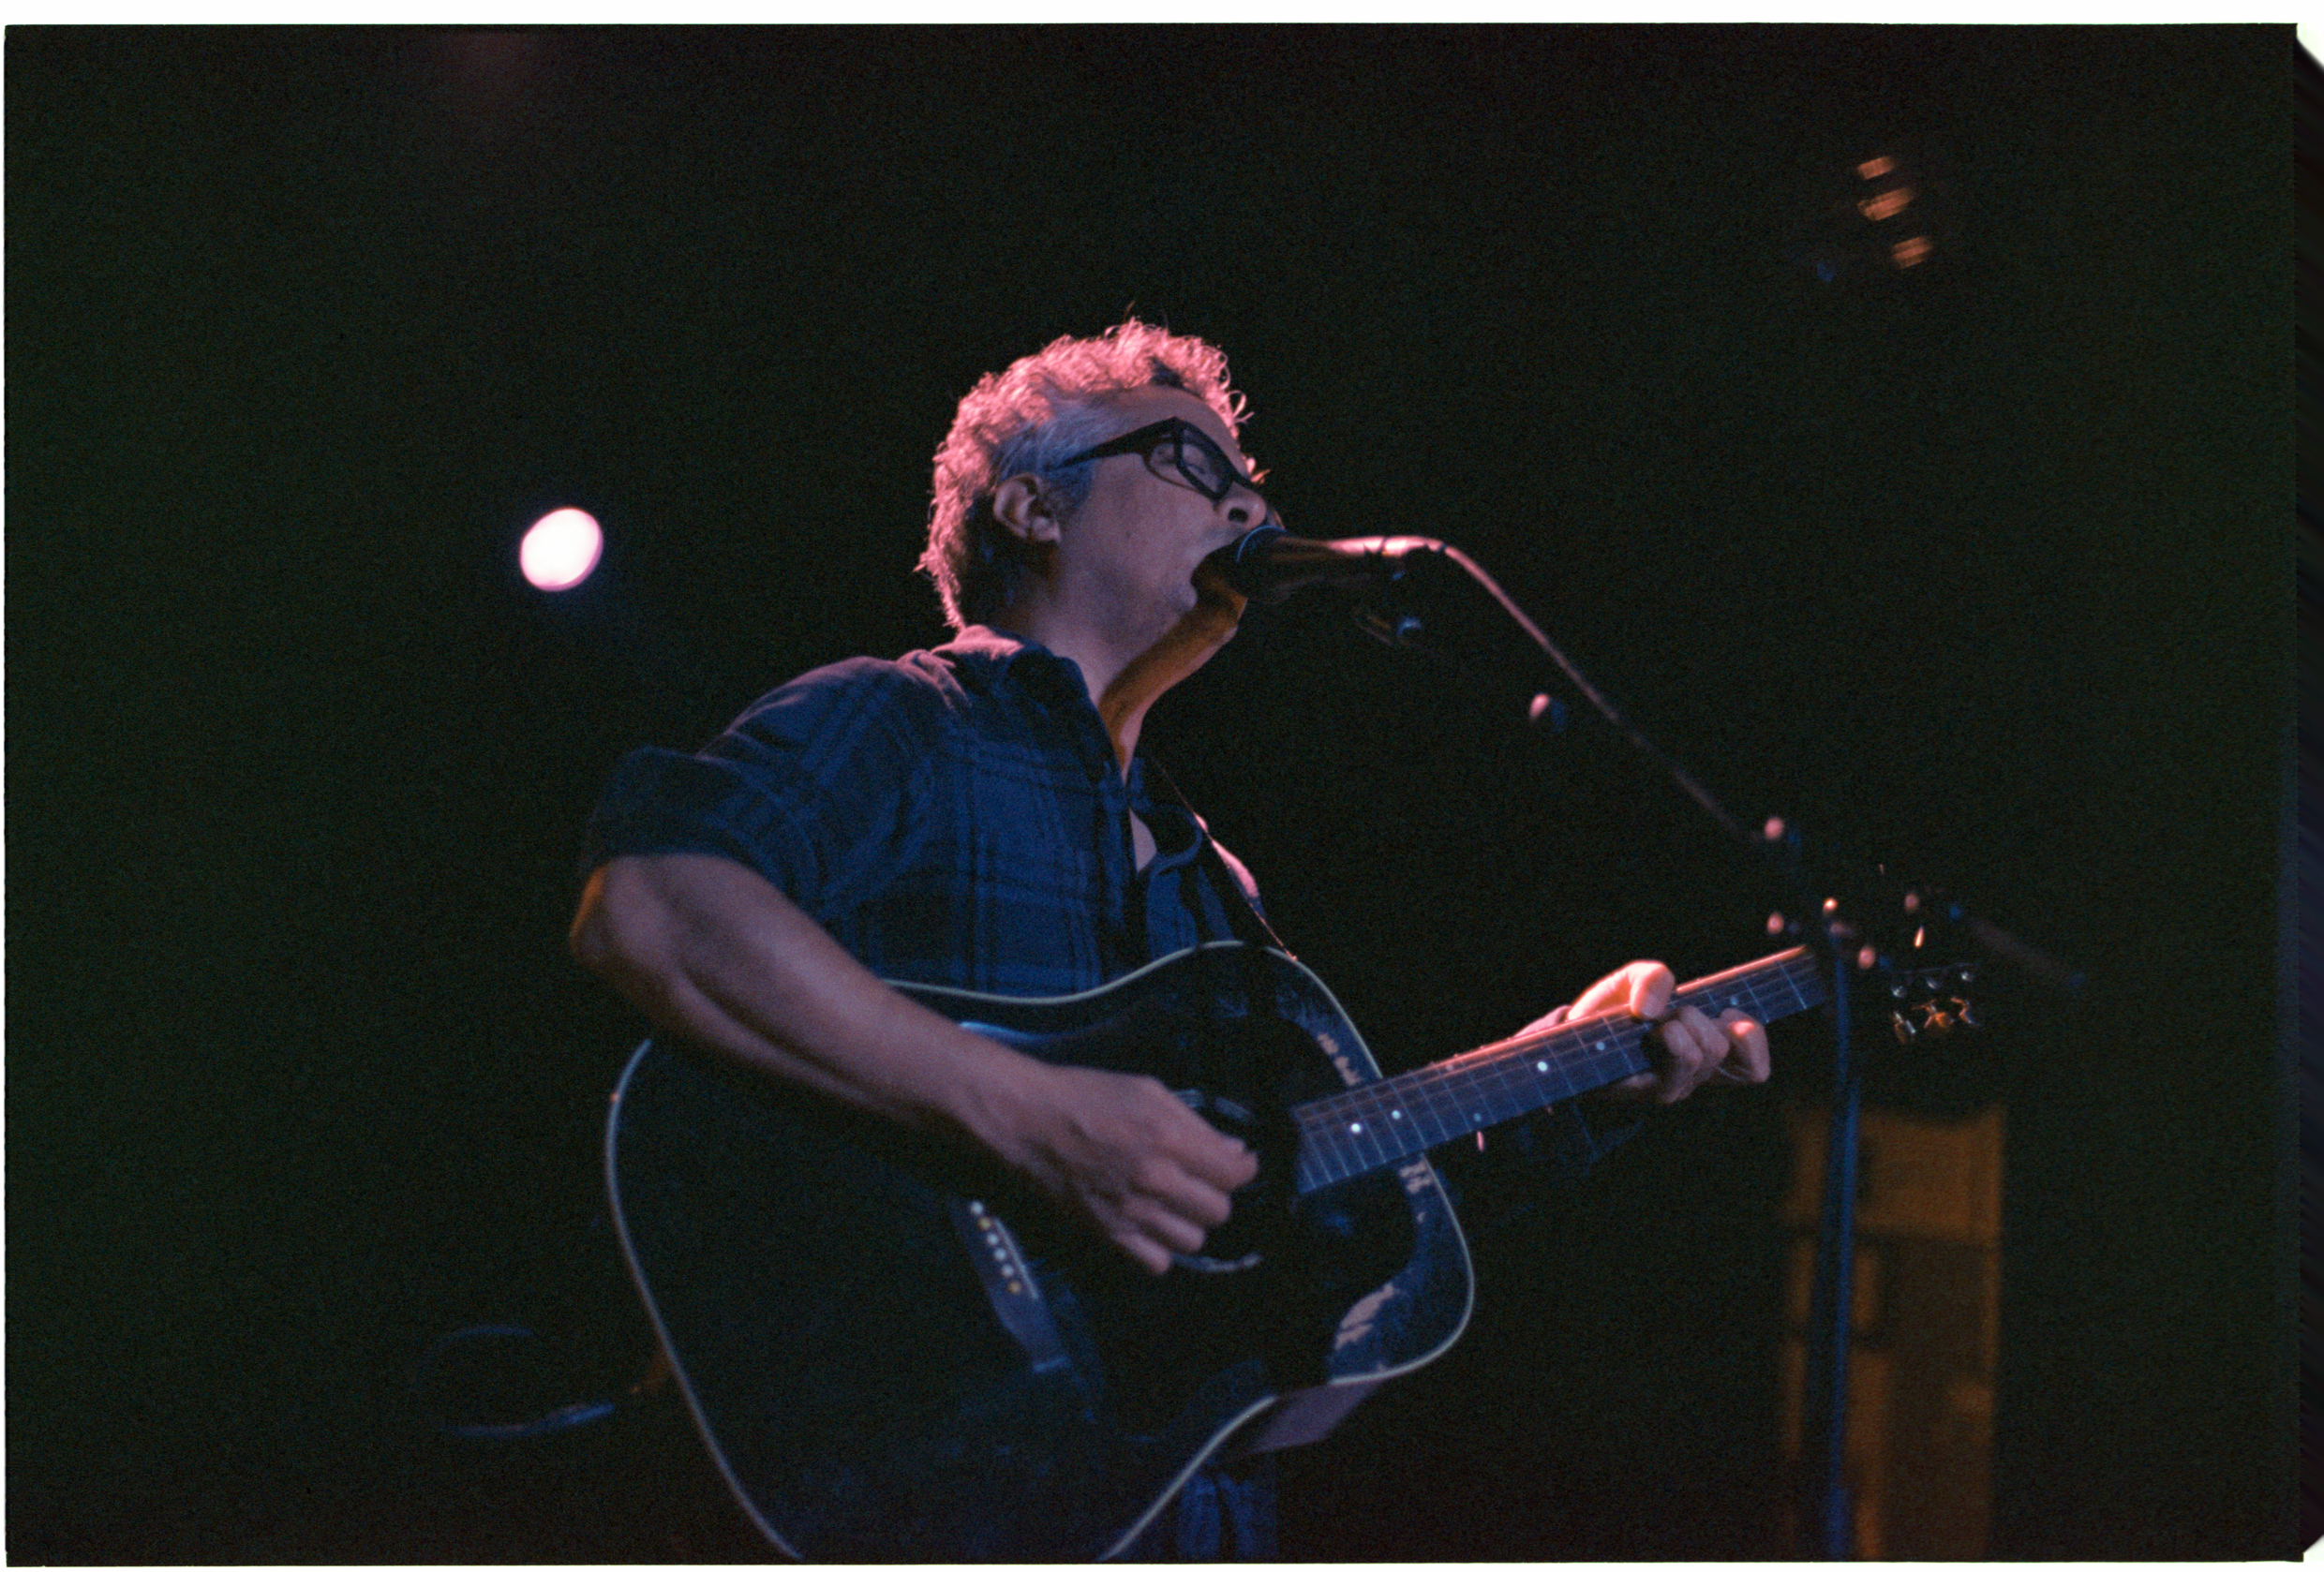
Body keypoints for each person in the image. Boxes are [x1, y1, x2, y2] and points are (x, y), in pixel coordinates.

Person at [569, 319, 1771, 1559]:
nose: (1251, 498)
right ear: (1033, 506)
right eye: (1191, 464)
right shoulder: (901, 718)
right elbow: (656, 906)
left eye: (1250, 475)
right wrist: (1031, 1115)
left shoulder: (1216, 882)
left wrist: (1573, 1075)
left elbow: (1300, 1205)